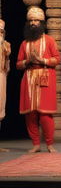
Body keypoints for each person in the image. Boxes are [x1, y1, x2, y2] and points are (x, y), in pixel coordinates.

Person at [16, 6, 61, 153]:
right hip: (29, 79)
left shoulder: (49, 40)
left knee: (45, 114)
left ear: (41, 23)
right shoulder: (24, 43)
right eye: (31, 20)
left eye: (36, 20)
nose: (34, 23)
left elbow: (57, 59)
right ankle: (35, 144)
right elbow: (18, 64)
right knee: (30, 114)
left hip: (45, 78)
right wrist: (28, 61)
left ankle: (49, 143)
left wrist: (41, 59)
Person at [0, 19, 11, 152]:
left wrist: (7, 56)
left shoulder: (6, 45)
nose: (1, 33)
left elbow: (6, 67)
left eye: (2, 31)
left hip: (1, 76)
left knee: (1, 106)